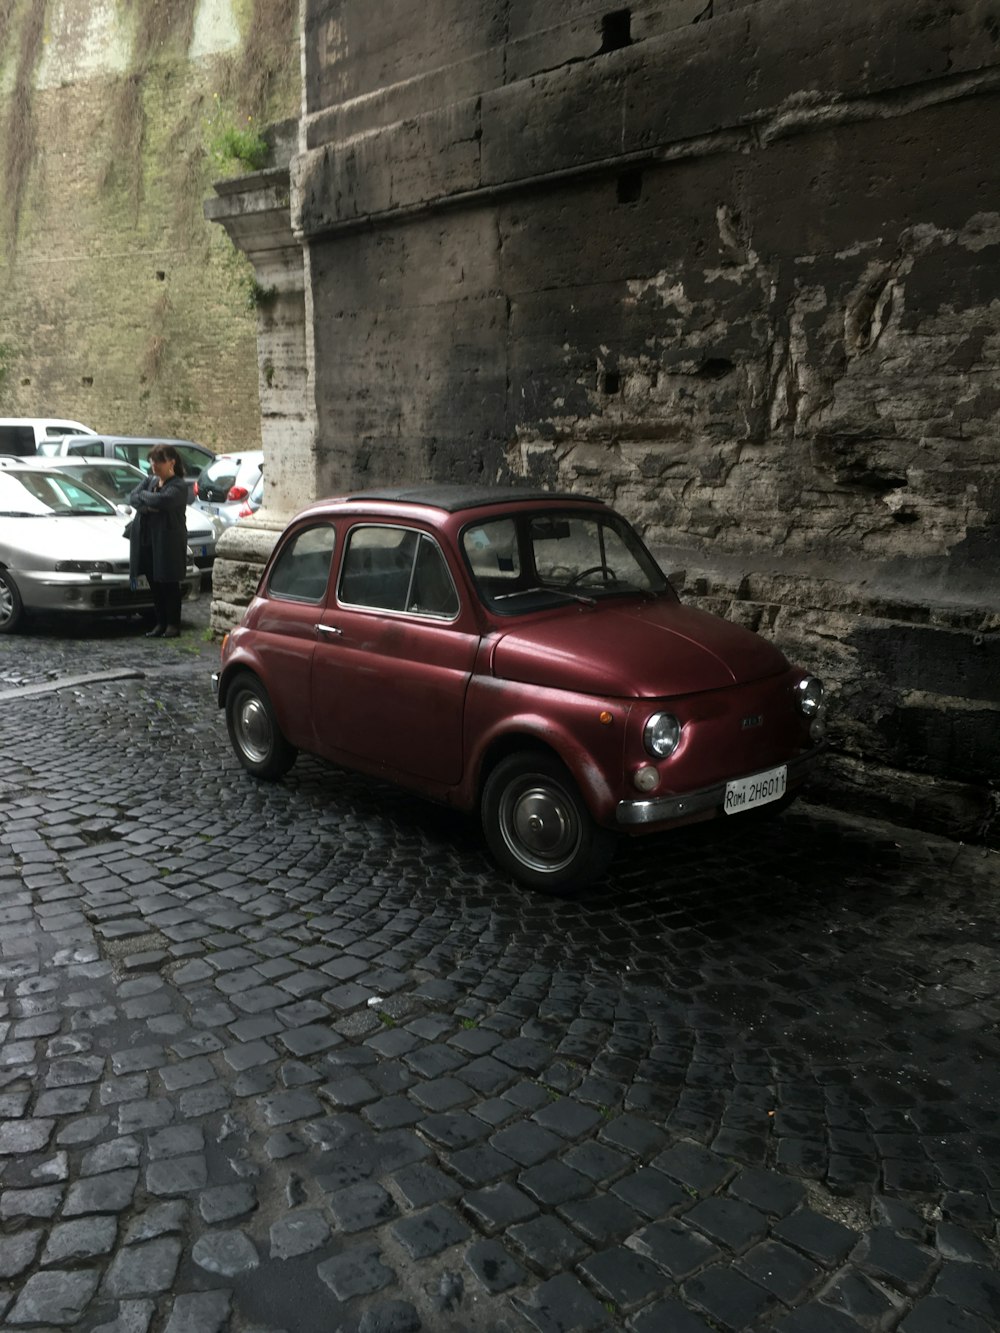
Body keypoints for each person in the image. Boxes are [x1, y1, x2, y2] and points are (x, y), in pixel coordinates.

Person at [127, 444, 188, 638]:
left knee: (169, 583)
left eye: (159, 461)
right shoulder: (150, 481)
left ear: (171, 462)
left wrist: (148, 499)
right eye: (152, 461)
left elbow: (163, 501)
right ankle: (160, 623)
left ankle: (173, 624)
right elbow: (133, 498)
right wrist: (148, 503)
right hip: (148, 540)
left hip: (168, 541)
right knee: (155, 584)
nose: (154, 465)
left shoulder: (178, 485)